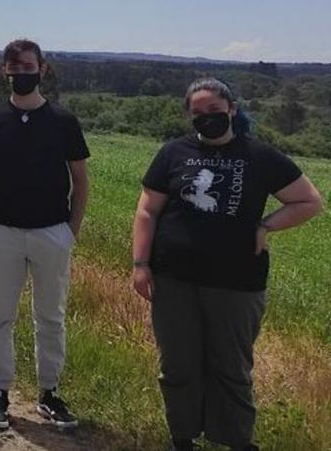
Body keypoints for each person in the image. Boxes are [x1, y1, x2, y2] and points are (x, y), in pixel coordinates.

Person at [131, 78, 323, 451]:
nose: (207, 118)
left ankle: (236, 439)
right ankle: (183, 436)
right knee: (178, 364)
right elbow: (147, 210)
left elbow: (308, 201)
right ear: (189, 116)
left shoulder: (259, 156)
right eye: (198, 113)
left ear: (232, 109)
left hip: (237, 281)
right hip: (174, 278)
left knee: (232, 368)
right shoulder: (173, 153)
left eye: (215, 110)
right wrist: (140, 263)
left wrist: (266, 225)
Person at [0, 38, 89, 430]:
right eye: (15, 67)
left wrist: (71, 230)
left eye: (28, 66)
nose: (21, 73)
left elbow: (80, 181)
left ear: (43, 69)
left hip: (52, 232)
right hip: (1, 231)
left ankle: (49, 393)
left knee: (51, 316)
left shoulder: (64, 121)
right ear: (4, 71)